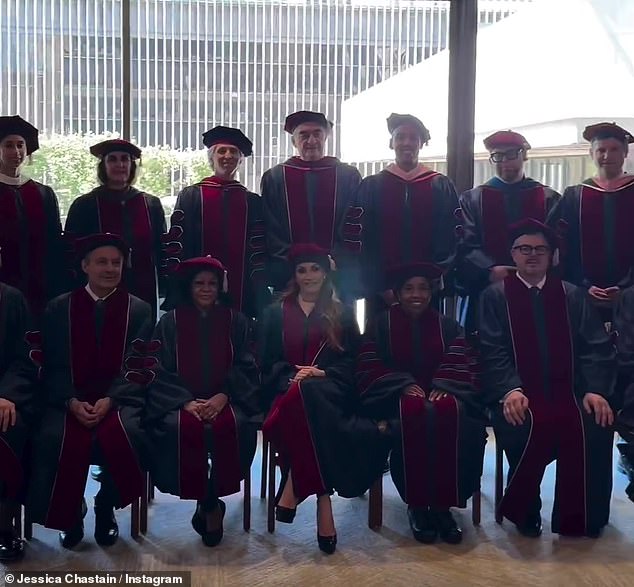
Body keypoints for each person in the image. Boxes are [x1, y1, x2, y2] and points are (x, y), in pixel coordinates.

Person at [479, 219, 615, 538]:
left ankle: (582, 516)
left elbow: (595, 346)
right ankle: (527, 509)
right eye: (524, 248)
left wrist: (594, 390)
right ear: (512, 254)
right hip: (517, 393)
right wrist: (509, 389)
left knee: (595, 423)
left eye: (541, 249)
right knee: (520, 423)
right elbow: (490, 349)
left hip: (571, 392)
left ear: (553, 256)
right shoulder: (495, 297)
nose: (532, 255)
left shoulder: (572, 296)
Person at [27, 233, 153, 549]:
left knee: (131, 433)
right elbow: (51, 363)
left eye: (116, 263)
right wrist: (70, 400)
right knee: (52, 437)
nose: (110, 269)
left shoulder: (138, 310)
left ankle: (105, 504)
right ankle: (70, 510)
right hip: (66, 400)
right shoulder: (59, 308)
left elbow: (137, 363)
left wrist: (111, 399)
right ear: (85, 266)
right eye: (101, 262)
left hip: (120, 399)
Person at [355, 262, 484, 544]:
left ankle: (442, 506)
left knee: (464, 424)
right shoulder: (380, 324)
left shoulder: (447, 325)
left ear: (432, 291)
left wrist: (444, 384)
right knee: (412, 419)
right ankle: (417, 505)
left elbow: (463, 360)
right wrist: (402, 385)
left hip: (444, 396)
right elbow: (368, 364)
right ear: (398, 293)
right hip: (394, 400)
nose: (417, 294)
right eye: (409, 288)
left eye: (423, 288)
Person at [146, 256, 260, 547]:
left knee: (241, 426)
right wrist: (185, 403)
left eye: (212, 283)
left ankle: (211, 502)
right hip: (181, 403)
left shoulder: (237, 320)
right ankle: (207, 501)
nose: (207, 288)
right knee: (173, 429)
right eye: (200, 283)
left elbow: (248, 365)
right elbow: (156, 369)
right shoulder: (170, 322)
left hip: (228, 400)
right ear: (189, 286)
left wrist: (223, 396)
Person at [261, 244, 360, 554]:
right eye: (302, 270)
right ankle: (323, 499)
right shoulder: (274, 313)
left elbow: (353, 362)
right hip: (286, 391)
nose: (308, 275)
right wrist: (289, 378)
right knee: (303, 399)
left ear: (325, 271)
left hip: (330, 389)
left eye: (315, 268)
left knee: (309, 395)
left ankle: (293, 481)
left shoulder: (341, 313)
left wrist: (321, 373)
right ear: (294, 274)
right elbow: (265, 362)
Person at [458, 130, 561, 333]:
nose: (505, 161)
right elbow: (465, 244)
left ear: (524, 155)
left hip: (537, 287)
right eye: (498, 155)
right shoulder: (473, 199)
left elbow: (557, 244)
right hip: (488, 287)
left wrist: (536, 270)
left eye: (512, 154)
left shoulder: (547, 197)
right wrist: (489, 270)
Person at [356, 114, 459, 315]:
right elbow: (362, 240)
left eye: (413, 138)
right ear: (391, 143)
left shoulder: (440, 185)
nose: (407, 143)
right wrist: (379, 285)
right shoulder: (372, 186)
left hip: (428, 289)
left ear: (421, 144)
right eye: (400, 137)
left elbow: (452, 237)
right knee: (381, 340)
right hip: (382, 290)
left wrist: (431, 281)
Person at [260, 111, 362, 300]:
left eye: (317, 134)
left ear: (326, 137)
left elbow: (353, 225)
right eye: (304, 135)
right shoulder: (275, 178)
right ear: (294, 142)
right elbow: (271, 227)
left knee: (337, 325)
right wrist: (293, 263)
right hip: (290, 273)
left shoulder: (348, 176)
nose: (311, 140)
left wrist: (333, 262)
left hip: (336, 273)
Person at [169, 126, 268, 318]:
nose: (228, 156)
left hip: (241, 287)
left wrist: (258, 287)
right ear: (211, 157)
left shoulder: (252, 201)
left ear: (240, 160)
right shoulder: (191, 196)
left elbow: (258, 250)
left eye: (234, 152)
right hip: (197, 286)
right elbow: (178, 244)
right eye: (221, 151)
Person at [64, 139, 166, 320]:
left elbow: (160, 250)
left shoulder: (150, 204)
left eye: (125, 159)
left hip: (141, 288)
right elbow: (72, 253)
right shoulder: (85, 205)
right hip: (96, 291)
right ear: (103, 165)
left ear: (132, 165)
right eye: (113, 159)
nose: (120, 165)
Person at [559, 122, 634, 314]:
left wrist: (627, 287)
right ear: (591, 154)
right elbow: (566, 246)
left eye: (614, 149)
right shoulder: (575, 195)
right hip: (584, 294)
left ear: (625, 153)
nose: (607, 156)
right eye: (601, 150)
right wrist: (583, 284)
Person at [0, 115, 65, 316]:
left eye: (21, 145)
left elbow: (55, 241)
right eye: (9, 145)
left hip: (41, 286)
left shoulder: (43, 193)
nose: (16, 151)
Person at [0, 283, 36, 561]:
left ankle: (4, 525)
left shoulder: (12, 300)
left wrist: (6, 395)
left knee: (12, 426)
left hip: (5, 398)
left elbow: (25, 358)